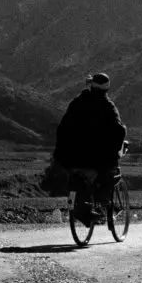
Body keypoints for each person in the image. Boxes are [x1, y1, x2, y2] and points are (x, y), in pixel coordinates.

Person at [53, 73, 127, 225]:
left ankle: (85, 207)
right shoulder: (107, 106)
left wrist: (61, 152)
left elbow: (63, 128)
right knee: (110, 174)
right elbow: (118, 130)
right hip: (95, 160)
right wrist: (115, 150)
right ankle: (101, 205)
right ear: (106, 89)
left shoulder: (76, 103)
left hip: (70, 157)